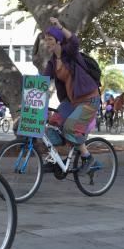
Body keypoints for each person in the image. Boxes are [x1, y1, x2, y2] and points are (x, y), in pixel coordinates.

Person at [42, 17, 100, 173]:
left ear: (58, 41)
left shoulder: (70, 53)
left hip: (90, 99)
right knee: (53, 124)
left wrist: (60, 27)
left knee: (70, 127)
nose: (47, 42)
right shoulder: (52, 63)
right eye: (45, 40)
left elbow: (74, 41)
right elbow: (42, 83)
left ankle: (88, 157)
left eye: (50, 39)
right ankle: (59, 159)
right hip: (72, 102)